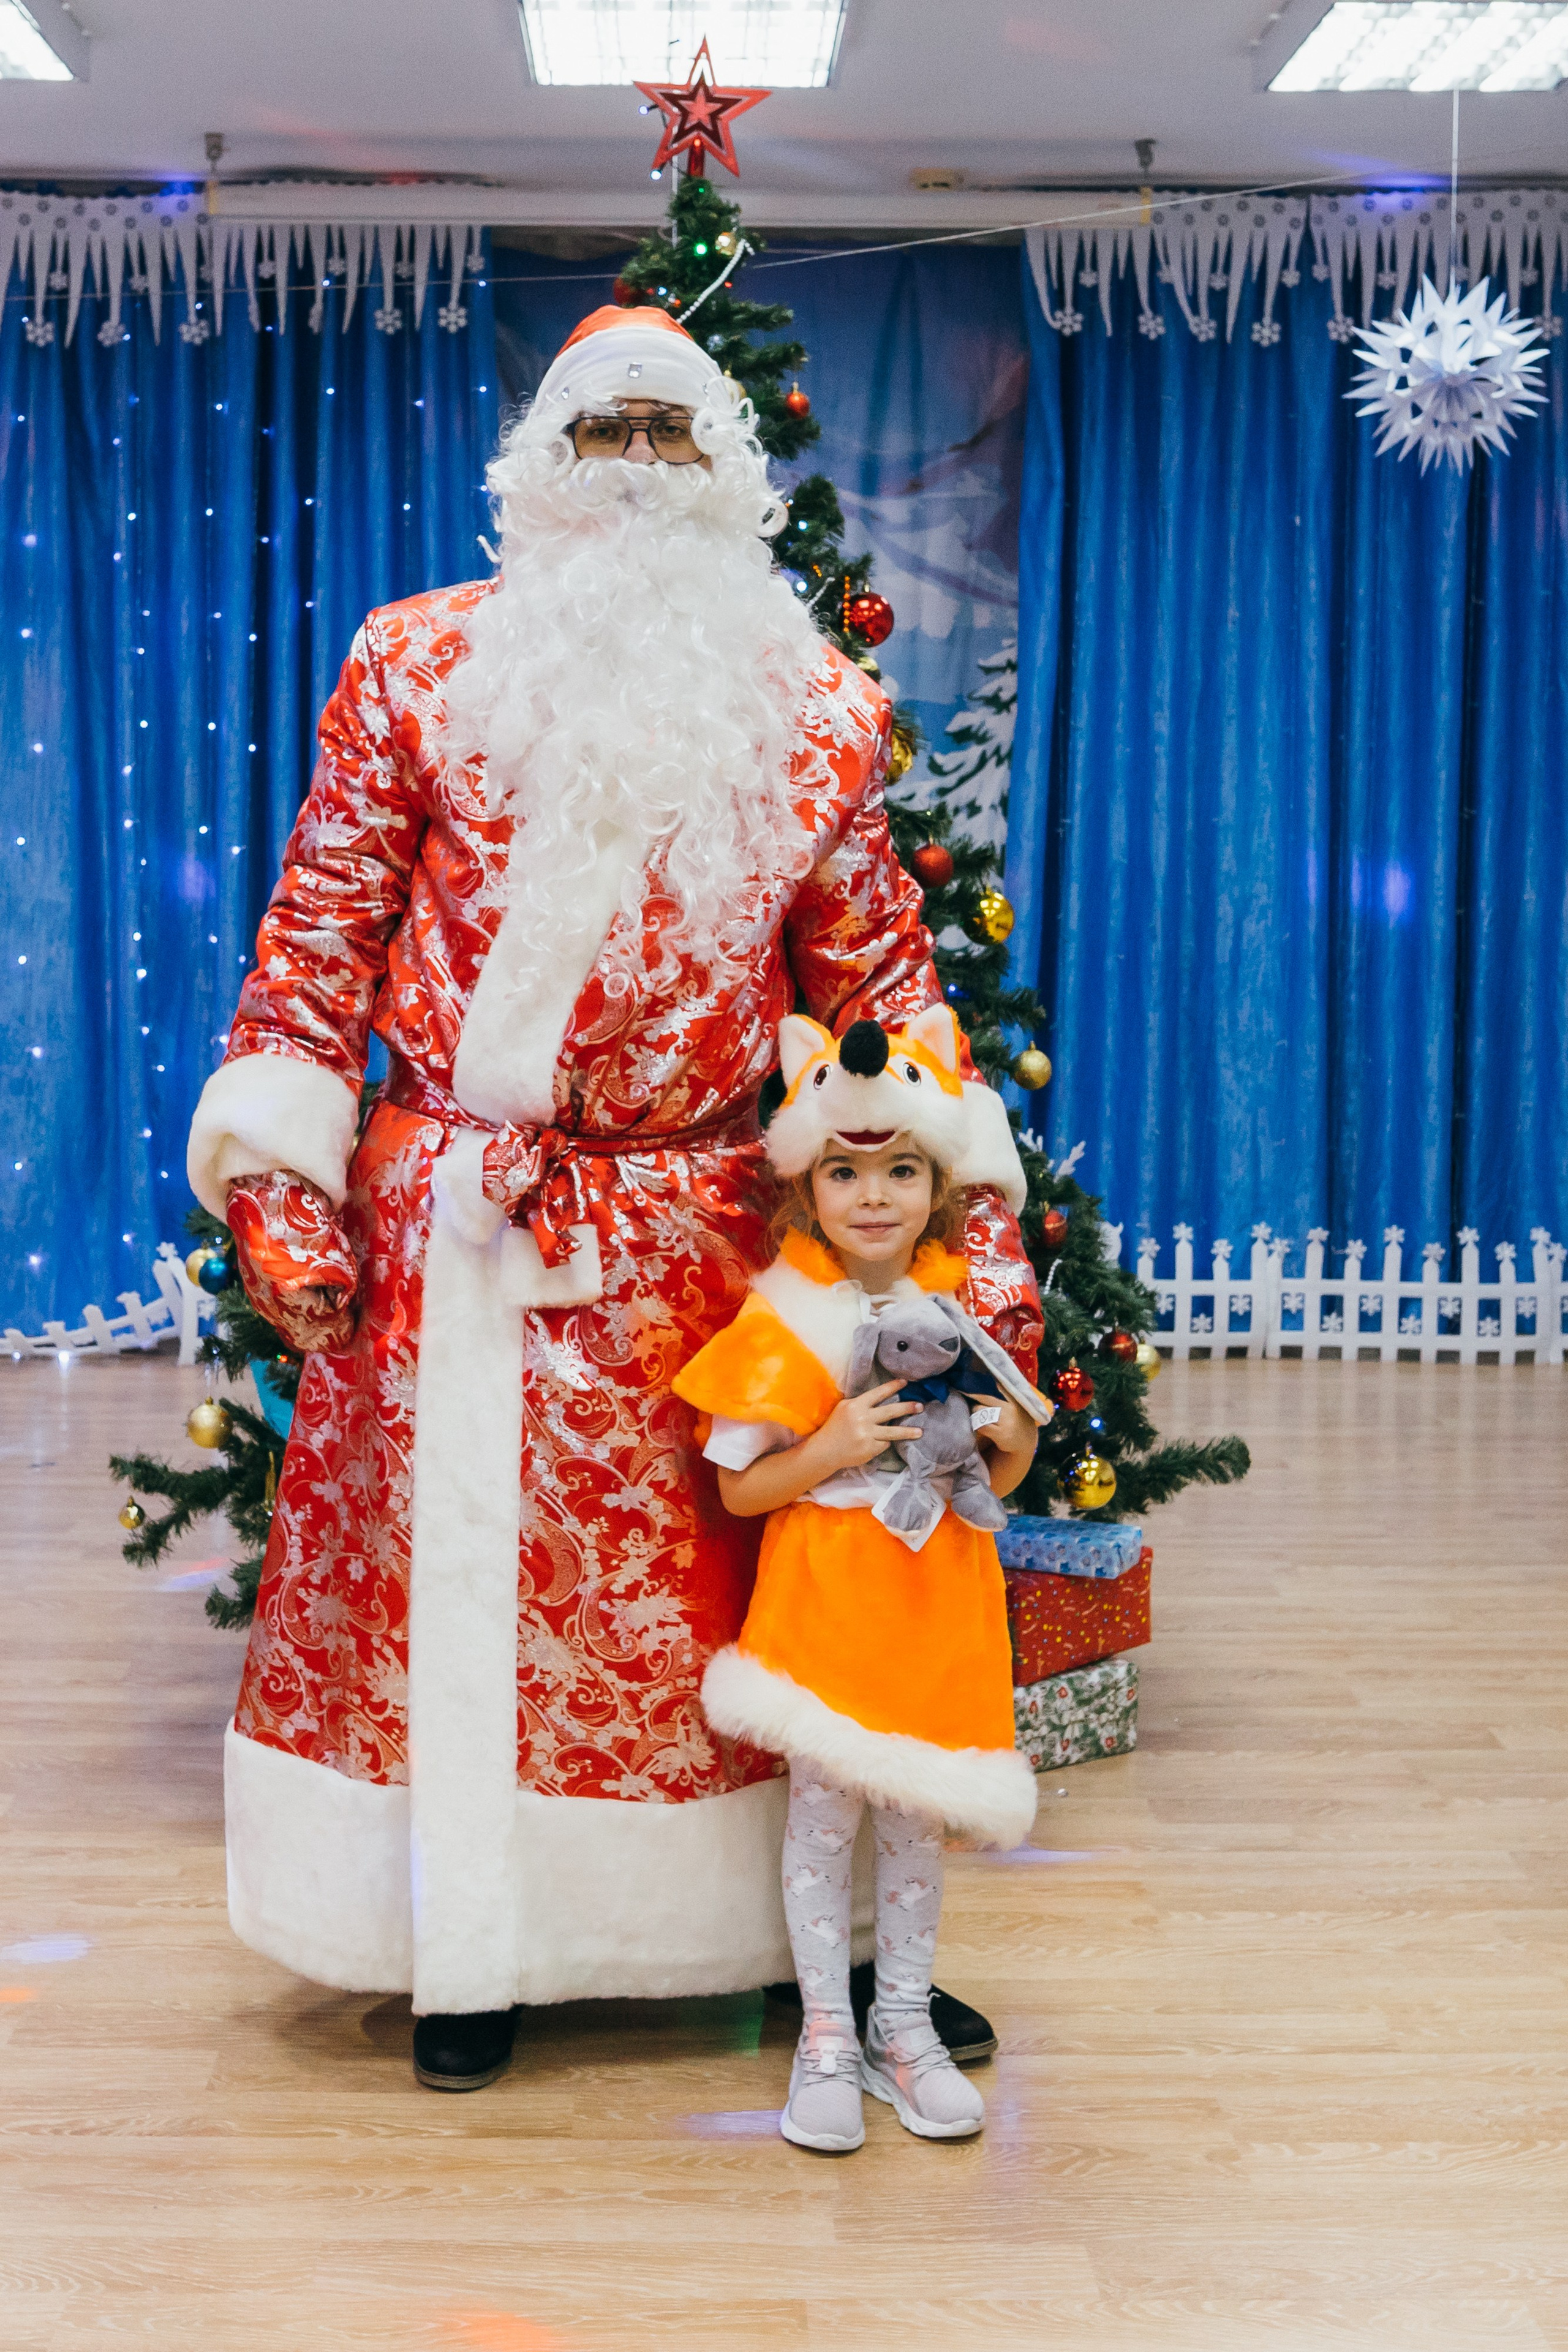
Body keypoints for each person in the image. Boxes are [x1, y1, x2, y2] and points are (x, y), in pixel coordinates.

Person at [186, 302, 1042, 2092]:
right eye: (605, 432)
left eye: (672, 434)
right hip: (457, 1235)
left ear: (726, 471)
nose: (640, 467)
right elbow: (318, 943)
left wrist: (975, 1256)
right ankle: (465, 1952)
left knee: (750, 1598)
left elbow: (884, 998)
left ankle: (803, 1954)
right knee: (453, 1610)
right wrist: (281, 1188)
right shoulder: (417, 664)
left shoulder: (816, 716)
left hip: (706, 1244)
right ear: (544, 464)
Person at [674, 1007, 1049, 2150]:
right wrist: (830, 1446)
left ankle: (904, 2029)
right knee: (826, 1822)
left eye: (900, 1171)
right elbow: (740, 1490)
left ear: (937, 1185)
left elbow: (1003, 1473)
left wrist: (1009, 1436)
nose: (873, 1196)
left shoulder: (957, 1313)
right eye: (844, 1171)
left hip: (935, 1601)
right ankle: (827, 2036)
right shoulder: (783, 1316)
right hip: (828, 1603)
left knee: (916, 1825)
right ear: (807, 1187)